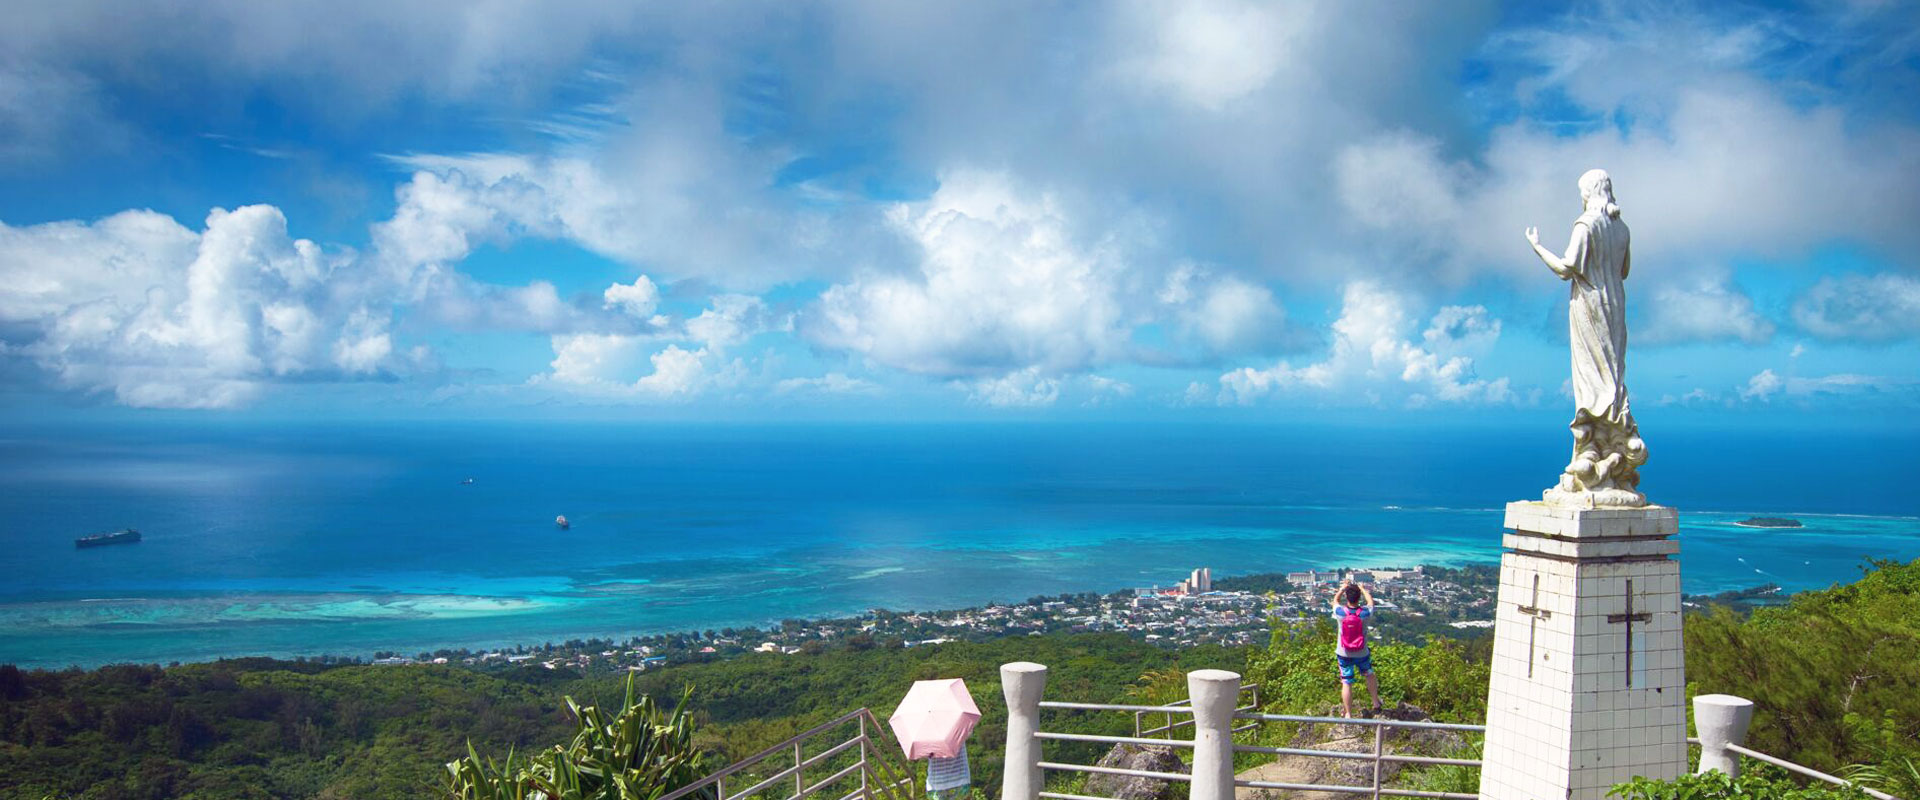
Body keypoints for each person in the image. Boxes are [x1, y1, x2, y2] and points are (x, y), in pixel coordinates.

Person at [1330, 579, 1381, 718]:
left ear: (1347, 596)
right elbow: (1371, 603)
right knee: (1369, 674)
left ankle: (1348, 713)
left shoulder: (1340, 613)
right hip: (1361, 652)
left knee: (1346, 682)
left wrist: (1342, 588)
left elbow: (1334, 601)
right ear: (1359, 597)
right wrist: (1363, 589)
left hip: (1343, 652)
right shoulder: (1365, 614)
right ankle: (1376, 703)